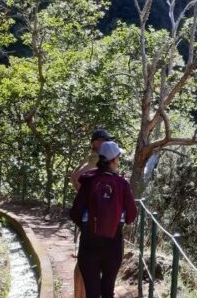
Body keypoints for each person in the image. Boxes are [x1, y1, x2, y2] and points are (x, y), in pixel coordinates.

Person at [70, 141, 138, 298]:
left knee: (92, 294)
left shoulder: (88, 181)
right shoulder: (122, 183)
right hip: (113, 246)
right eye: (118, 158)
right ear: (113, 160)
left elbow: (74, 213)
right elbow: (131, 216)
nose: (119, 161)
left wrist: (87, 227)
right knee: (107, 292)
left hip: (89, 244)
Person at [71, 128, 115, 298]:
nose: (110, 145)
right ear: (98, 143)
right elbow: (78, 177)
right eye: (107, 141)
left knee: (85, 262)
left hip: (88, 219)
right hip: (96, 222)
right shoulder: (97, 160)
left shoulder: (91, 158)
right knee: (92, 266)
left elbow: (75, 176)